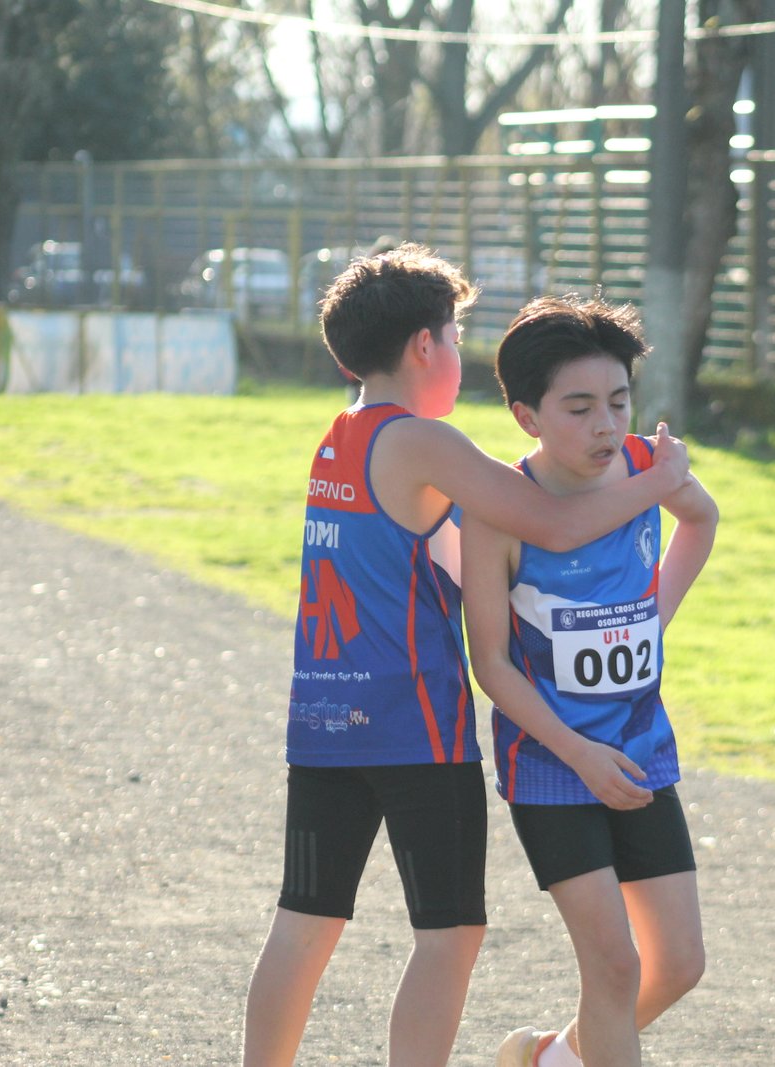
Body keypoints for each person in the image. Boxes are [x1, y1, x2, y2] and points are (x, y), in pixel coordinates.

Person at [241, 247, 692, 1067]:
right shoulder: (422, 440)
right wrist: (660, 481)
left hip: (323, 723)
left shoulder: (338, 439)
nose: (458, 353)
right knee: (450, 934)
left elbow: (443, 556)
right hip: (415, 728)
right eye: (454, 336)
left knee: (304, 921)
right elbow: (551, 524)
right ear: (424, 346)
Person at [460, 296, 717, 1067]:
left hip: (640, 748)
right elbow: (492, 665)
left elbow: (700, 520)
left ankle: (550, 1061)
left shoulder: (643, 464)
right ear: (525, 415)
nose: (607, 424)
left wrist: (651, 614)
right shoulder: (499, 511)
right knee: (613, 967)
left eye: (618, 400)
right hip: (551, 765)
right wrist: (577, 752)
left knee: (678, 963)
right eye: (580, 407)